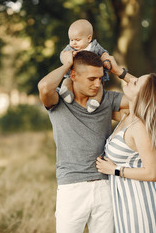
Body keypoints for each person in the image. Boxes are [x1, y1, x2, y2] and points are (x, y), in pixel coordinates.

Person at [37, 50, 133, 232]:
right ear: (73, 75)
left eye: (100, 78)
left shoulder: (107, 99)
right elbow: (44, 87)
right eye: (91, 79)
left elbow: (150, 98)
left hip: (106, 186)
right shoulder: (58, 100)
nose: (97, 84)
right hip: (71, 188)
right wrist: (67, 64)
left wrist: (120, 72)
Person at [95, 73, 156, 232]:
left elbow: (152, 173)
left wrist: (114, 170)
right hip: (122, 201)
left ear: (143, 95)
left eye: (136, 82)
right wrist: (118, 70)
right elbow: (97, 109)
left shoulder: (140, 128)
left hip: (139, 202)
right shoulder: (127, 116)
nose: (130, 81)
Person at [59, 19, 112, 113]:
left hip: (94, 77)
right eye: (71, 40)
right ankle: (66, 92)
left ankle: (94, 101)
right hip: (74, 75)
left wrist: (106, 61)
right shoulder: (70, 48)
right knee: (67, 80)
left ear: (89, 38)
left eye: (77, 40)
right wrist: (67, 57)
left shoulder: (94, 47)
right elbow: (62, 55)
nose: (73, 43)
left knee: (99, 87)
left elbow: (104, 53)